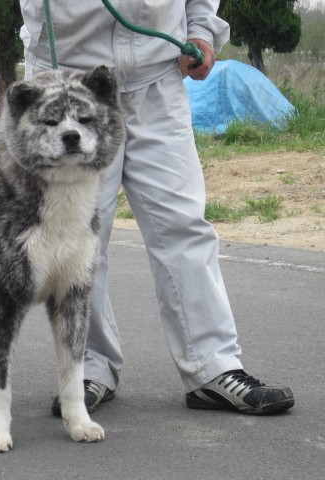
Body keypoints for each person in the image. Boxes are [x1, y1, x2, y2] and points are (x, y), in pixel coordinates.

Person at [19, 0, 295, 416]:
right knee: (79, 238)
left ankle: (212, 368)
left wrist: (201, 31)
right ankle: (88, 367)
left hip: (156, 82)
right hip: (68, 85)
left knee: (184, 224)